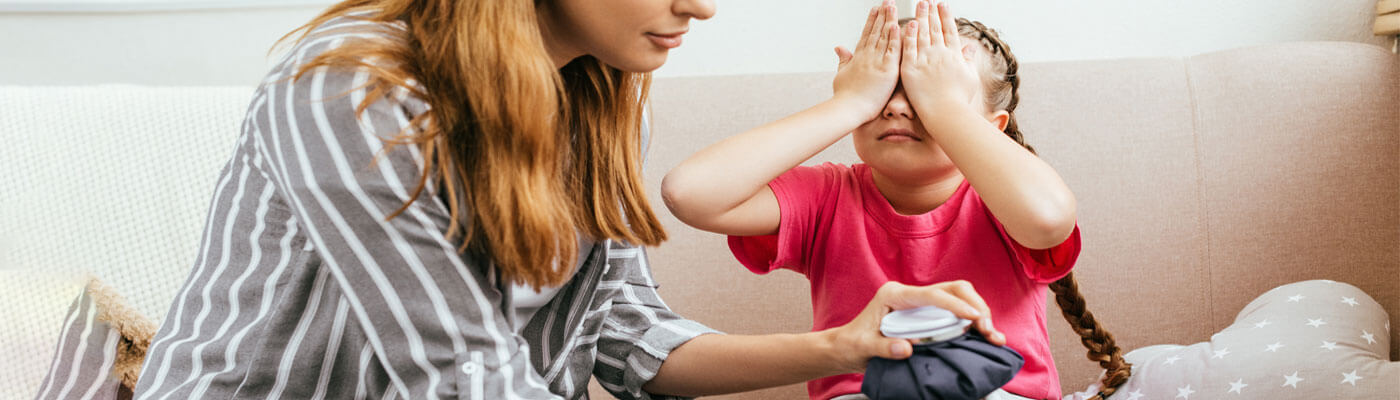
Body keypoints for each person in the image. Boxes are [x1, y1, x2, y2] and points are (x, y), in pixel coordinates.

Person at [133, 0, 1003, 398]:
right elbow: (461, 375)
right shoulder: (350, 89)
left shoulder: (605, 93)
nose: (699, 7)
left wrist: (846, 346)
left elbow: (625, 338)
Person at [662, 1, 1130, 399]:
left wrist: (943, 108)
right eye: (888, 88)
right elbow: (690, 193)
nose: (898, 105)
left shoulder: (1005, 197)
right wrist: (849, 104)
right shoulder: (825, 197)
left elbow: (1049, 220)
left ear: (994, 127)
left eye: (928, 92)